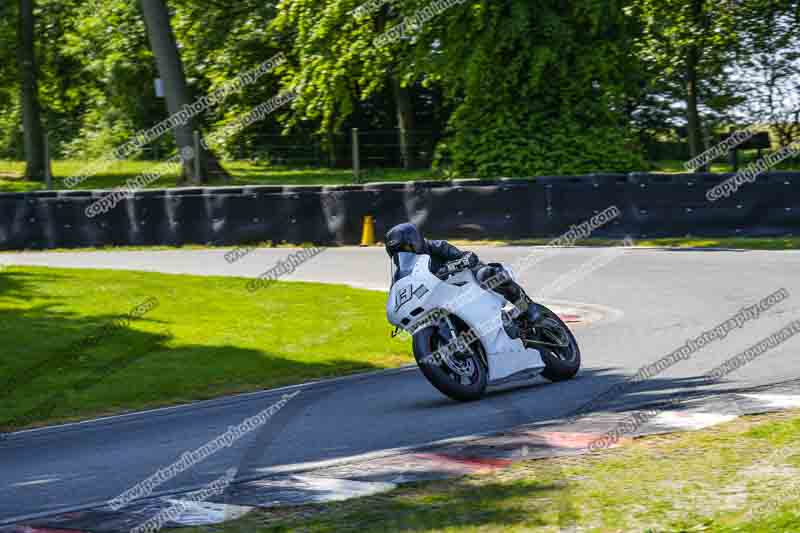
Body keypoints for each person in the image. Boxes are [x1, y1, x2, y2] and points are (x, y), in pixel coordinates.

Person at [384, 222, 539, 322]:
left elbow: (466, 257)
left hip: (463, 281)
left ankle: (527, 306)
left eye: (405, 248)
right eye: (397, 252)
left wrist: (459, 262)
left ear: (415, 242)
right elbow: (397, 295)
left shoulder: (436, 247)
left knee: (486, 274)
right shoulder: (401, 275)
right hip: (441, 301)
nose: (403, 254)